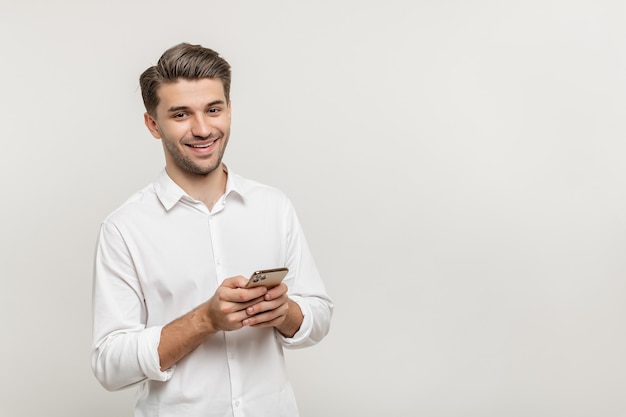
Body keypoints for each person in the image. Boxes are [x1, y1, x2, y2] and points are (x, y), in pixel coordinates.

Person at [91, 42, 333, 417]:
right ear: (153, 124)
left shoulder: (274, 207)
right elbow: (109, 364)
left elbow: (318, 315)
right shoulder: (124, 228)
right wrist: (205, 320)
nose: (203, 129)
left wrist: (284, 312)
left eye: (213, 109)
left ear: (230, 111)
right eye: (181, 114)